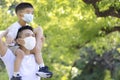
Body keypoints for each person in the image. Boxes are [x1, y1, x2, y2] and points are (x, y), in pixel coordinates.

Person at [3, 2, 52, 80]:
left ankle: (42, 68)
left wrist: (37, 43)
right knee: (20, 54)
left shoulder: (28, 27)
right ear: (20, 15)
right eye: (28, 12)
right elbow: (9, 40)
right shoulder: (15, 27)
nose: (31, 15)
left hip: (24, 45)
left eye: (32, 13)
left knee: (38, 42)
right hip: (14, 46)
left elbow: (37, 32)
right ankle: (16, 75)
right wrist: (12, 39)